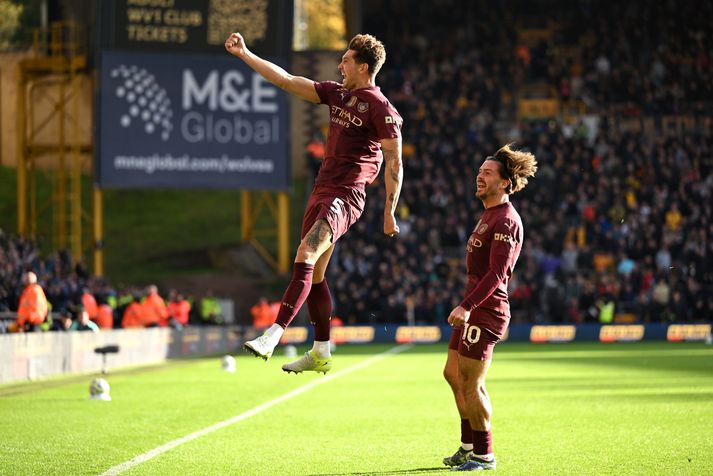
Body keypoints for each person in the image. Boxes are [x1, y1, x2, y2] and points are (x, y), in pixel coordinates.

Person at [226, 31, 403, 374]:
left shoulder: (382, 108)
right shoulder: (337, 94)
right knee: (317, 274)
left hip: (346, 195)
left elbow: (394, 160)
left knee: (305, 253)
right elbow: (288, 80)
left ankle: (274, 333)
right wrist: (245, 54)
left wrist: (389, 211)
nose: (340, 65)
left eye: (347, 60)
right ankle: (321, 350)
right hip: (322, 190)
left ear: (364, 67)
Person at [443, 145, 537, 471]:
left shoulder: (507, 220)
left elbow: (498, 274)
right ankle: (468, 445)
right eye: (479, 171)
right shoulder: (488, 215)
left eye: (487, 173)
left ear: (505, 183)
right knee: (452, 374)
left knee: (473, 384)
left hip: (486, 311)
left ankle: (484, 455)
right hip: (476, 307)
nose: (479, 176)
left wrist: (467, 306)